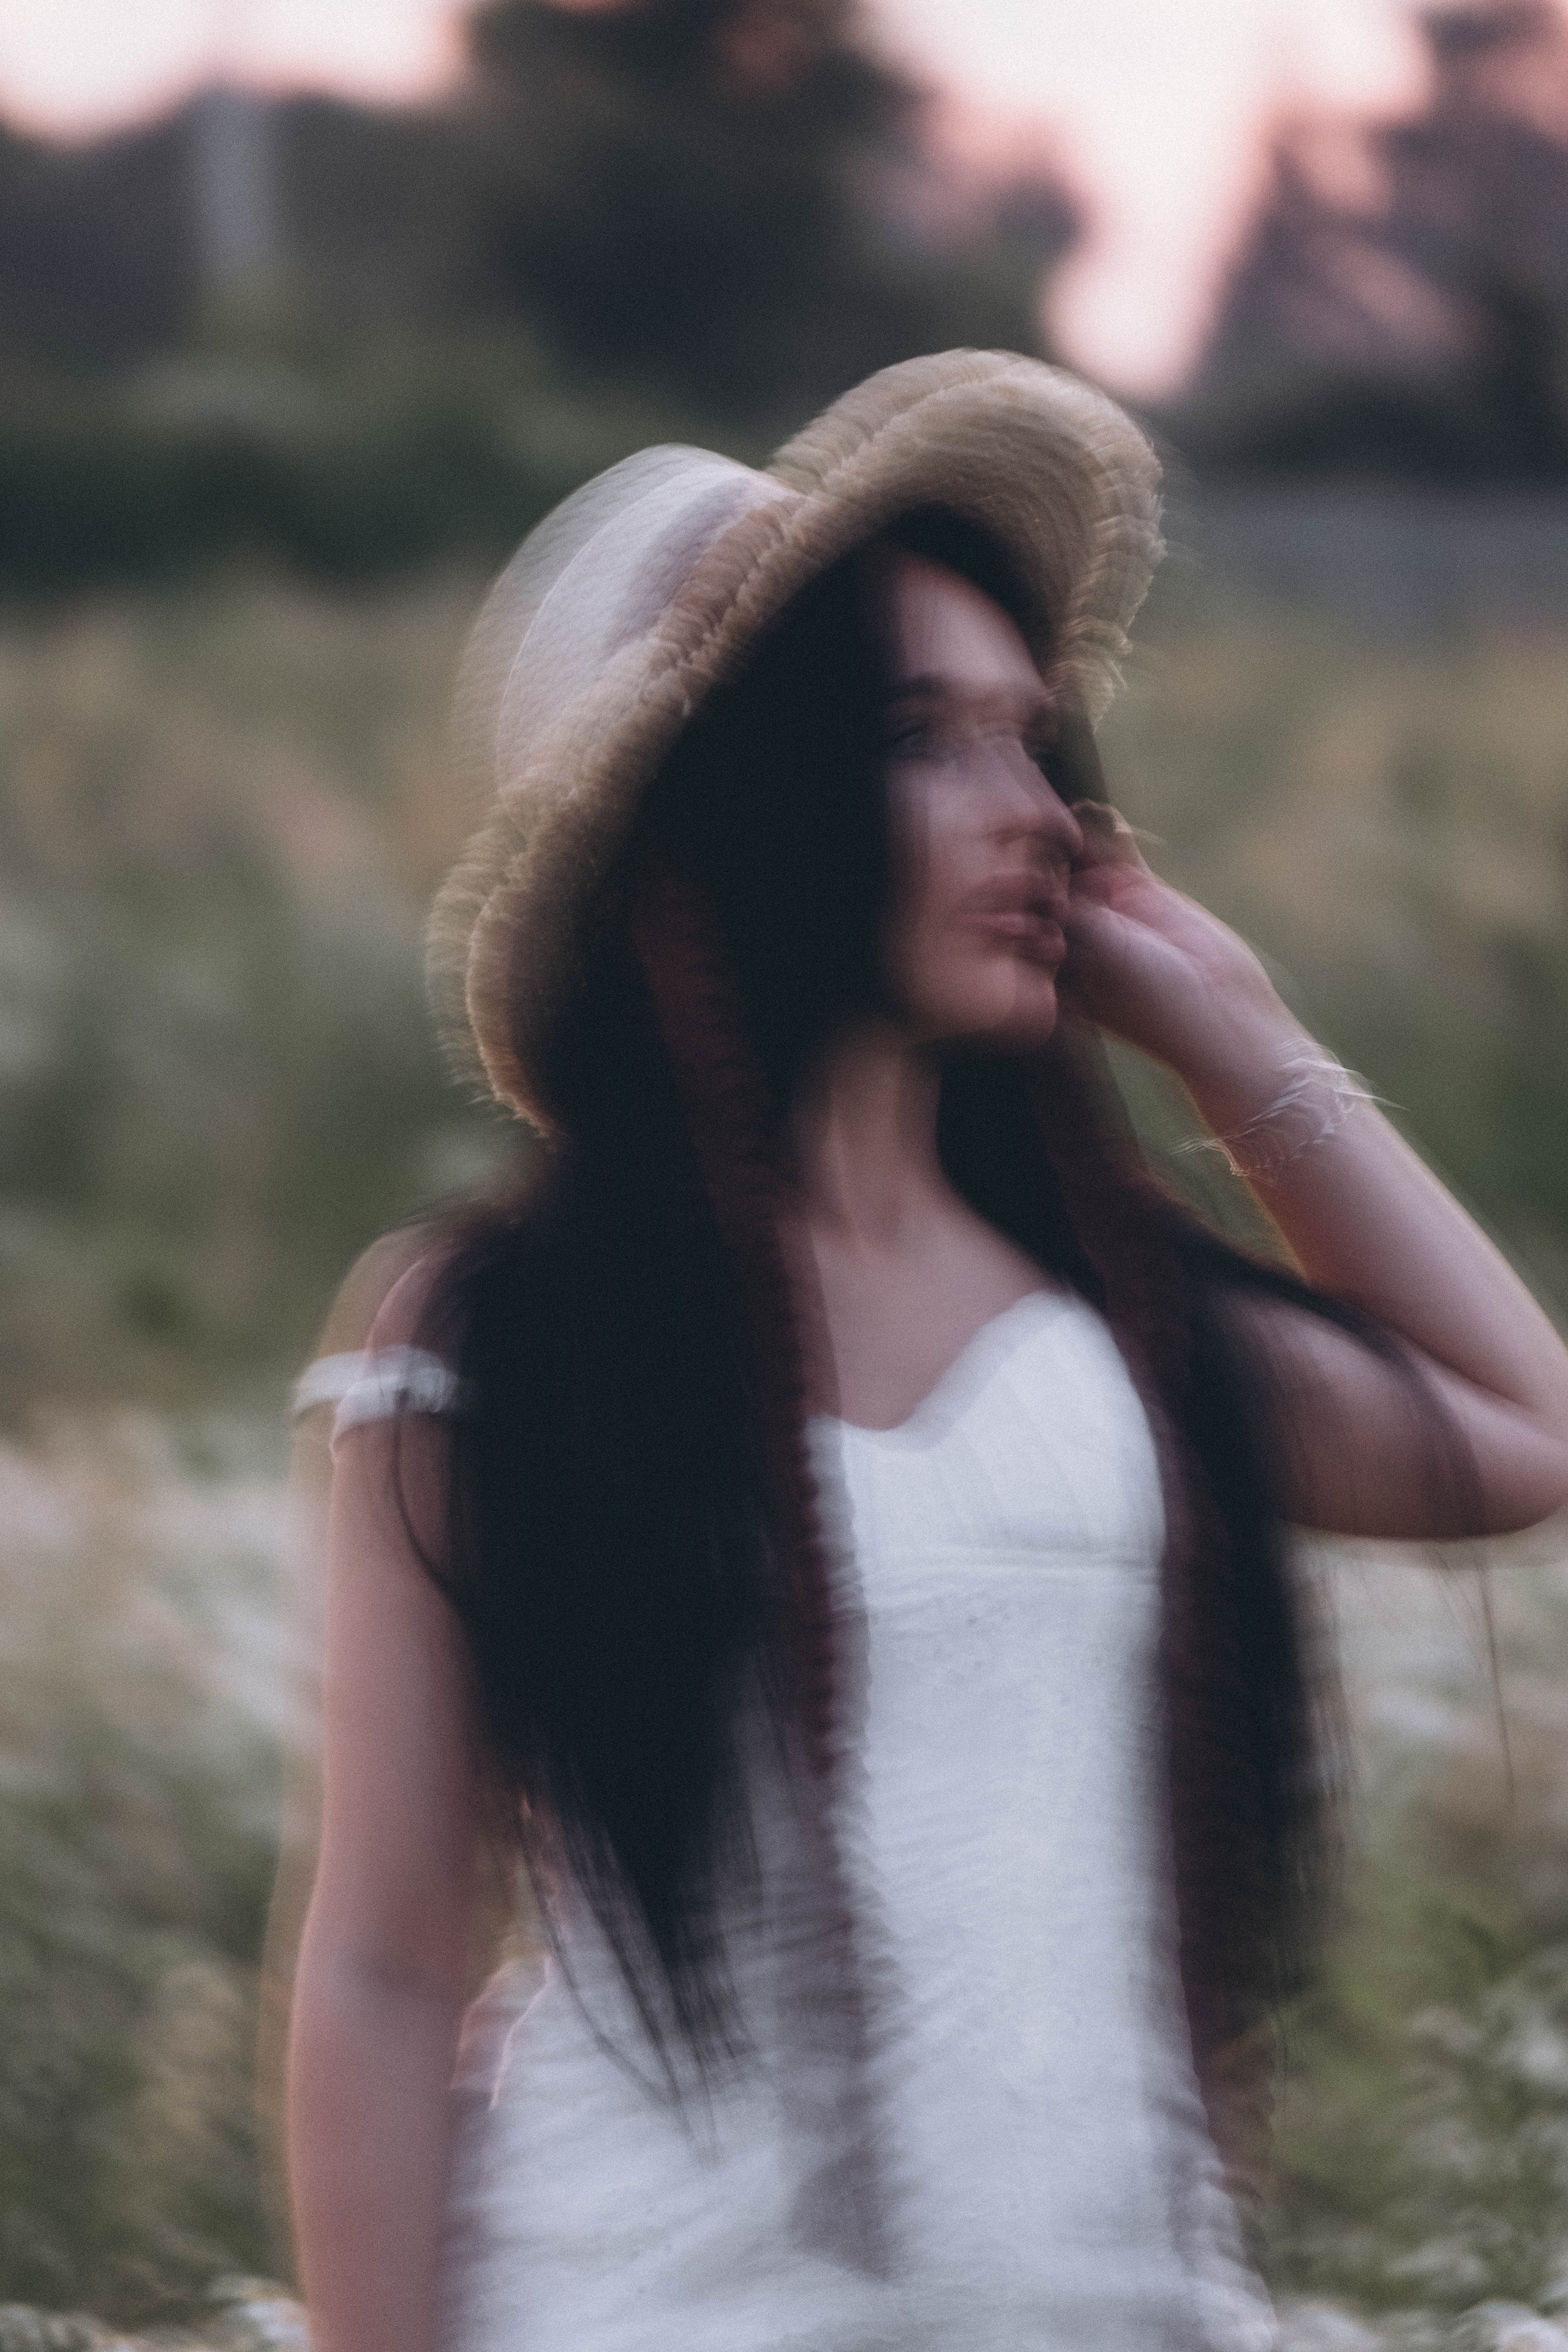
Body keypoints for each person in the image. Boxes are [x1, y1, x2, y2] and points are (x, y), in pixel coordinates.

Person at [282, 352, 1568, 2352]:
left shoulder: (1118, 1315)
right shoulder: (496, 1339)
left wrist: (1227, 1021)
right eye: (926, 739)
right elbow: (376, 1965)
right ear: (731, 816)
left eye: (1034, 741)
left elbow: (1516, 1431)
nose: (1037, 813)